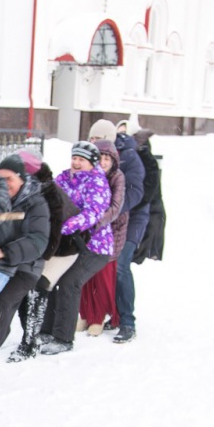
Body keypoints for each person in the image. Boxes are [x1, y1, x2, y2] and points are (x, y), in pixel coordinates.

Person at [0, 150, 69, 390]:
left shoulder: (36, 202)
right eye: (0, 178)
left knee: (2, 303)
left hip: (25, 265)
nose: (4, 183)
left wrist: (0, 252)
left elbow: (38, 241)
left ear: (22, 178)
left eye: (9, 178)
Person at [38, 142, 113, 355]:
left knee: (70, 282)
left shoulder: (97, 182)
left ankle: (63, 338)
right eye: (74, 158)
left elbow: (93, 213)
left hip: (95, 246)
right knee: (51, 279)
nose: (76, 163)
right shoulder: (63, 178)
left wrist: (65, 227)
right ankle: (46, 330)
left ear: (92, 163)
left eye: (82, 160)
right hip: (70, 244)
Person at [89, 119, 145, 344]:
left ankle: (127, 322)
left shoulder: (129, 157)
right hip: (106, 219)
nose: (93, 143)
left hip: (132, 218)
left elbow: (136, 192)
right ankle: (99, 312)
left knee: (120, 265)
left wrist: (109, 211)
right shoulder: (95, 155)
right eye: (91, 139)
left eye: (97, 138)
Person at [78, 140, 126, 336]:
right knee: (84, 275)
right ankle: (85, 314)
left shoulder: (117, 177)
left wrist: (95, 220)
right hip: (89, 231)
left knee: (102, 276)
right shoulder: (90, 174)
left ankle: (98, 317)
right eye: (101, 158)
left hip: (111, 230)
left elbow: (116, 208)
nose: (104, 162)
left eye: (107, 158)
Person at [132, 130, 166, 265]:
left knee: (146, 261)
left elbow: (148, 194)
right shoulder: (140, 161)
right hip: (150, 216)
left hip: (151, 217)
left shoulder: (146, 162)